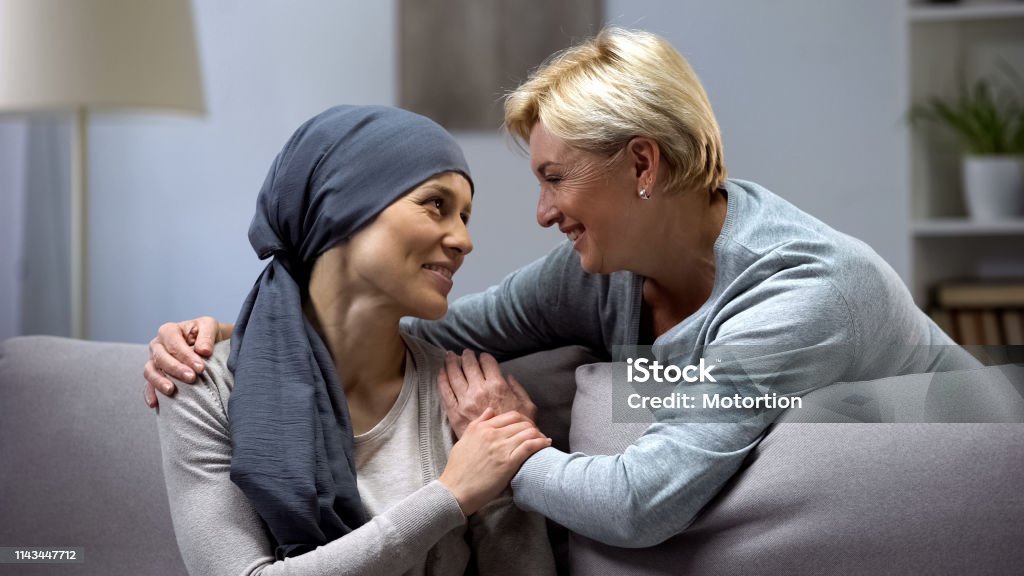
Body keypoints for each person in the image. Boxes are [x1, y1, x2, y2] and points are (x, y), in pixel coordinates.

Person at [145, 29, 976, 548]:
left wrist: (501, 439)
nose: (541, 214)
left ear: (643, 164)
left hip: (959, 501)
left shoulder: (804, 292)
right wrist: (237, 332)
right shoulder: (603, 275)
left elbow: (642, 502)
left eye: (554, 180)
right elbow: (434, 332)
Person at [152, 105, 556, 575]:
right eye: (436, 205)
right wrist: (450, 496)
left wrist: (512, 477)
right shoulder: (203, 386)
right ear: (340, 205)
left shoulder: (467, 398)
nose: (464, 240)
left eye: (465, 216)